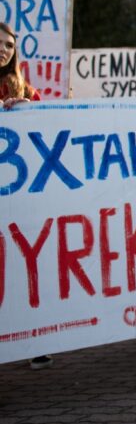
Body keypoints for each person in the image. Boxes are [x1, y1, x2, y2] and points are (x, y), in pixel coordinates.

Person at [2, 21, 50, 370]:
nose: (4, 49)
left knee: (21, 269)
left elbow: (47, 135)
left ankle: (31, 340)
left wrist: (30, 114)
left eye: (9, 45)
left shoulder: (26, 92)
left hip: (16, 200)